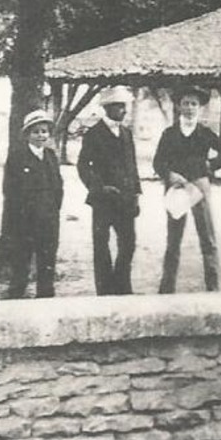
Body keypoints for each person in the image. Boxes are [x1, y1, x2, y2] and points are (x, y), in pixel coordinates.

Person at [152, 87, 221, 293]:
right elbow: (158, 162)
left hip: (199, 186)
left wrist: (210, 166)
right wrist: (170, 175)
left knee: (207, 237)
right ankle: (167, 289)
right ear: (178, 106)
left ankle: (213, 287)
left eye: (193, 104)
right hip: (177, 188)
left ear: (199, 108)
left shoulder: (205, 133)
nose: (189, 108)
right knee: (173, 239)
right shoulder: (169, 133)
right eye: (185, 103)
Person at [76, 86, 142, 295]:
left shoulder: (126, 133)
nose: (124, 111)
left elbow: (132, 165)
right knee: (101, 246)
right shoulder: (94, 134)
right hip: (103, 201)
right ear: (108, 108)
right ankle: (104, 289)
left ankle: (122, 284)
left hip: (125, 199)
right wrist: (100, 187)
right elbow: (83, 166)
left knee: (129, 244)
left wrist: (136, 192)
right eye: (119, 107)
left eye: (125, 106)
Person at [0, 109, 65, 299]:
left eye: (44, 131)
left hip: (49, 220)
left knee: (47, 263)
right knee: (21, 264)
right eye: (35, 131)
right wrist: (19, 217)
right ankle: (16, 301)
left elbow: (58, 187)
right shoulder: (17, 158)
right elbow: (10, 192)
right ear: (27, 134)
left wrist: (52, 210)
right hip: (24, 221)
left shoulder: (51, 157)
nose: (40, 135)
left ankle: (45, 298)